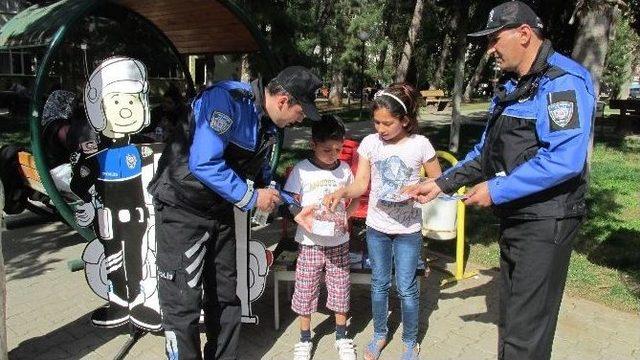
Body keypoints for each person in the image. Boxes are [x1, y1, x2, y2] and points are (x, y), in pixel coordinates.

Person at [403, 2, 595, 359]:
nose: (489, 49)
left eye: (494, 39)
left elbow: (564, 160)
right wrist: (441, 183)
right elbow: (486, 152)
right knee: (512, 319)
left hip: (547, 221)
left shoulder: (562, 82)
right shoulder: (511, 85)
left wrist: (497, 189)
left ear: (524, 34)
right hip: (516, 217)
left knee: (527, 329)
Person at [147, 66, 323, 360]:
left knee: (227, 298)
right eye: (301, 111)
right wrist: (252, 197)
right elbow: (204, 163)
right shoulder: (227, 100)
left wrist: (293, 206)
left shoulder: (268, 125)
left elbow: (263, 178)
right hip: (182, 210)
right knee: (182, 304)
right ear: (283, 100)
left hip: (220, 213)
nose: (301, 118)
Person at [321, 83, 442, 360]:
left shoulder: (420, 145)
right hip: (377, 228)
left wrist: (419, 189)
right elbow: (361, 184)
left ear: (405, 120)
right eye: (376, 122)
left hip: (408, 230)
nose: (380, 128)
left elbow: (438, 180)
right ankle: (379, 334)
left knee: (408, 287)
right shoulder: (370, 144)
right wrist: (342, 191)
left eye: (387, 123)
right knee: (379, 284)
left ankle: (410, 341)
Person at [284, 115, 359, 360]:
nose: (333, 154)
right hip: (309, 243)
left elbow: (356, 195)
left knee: (340, 288)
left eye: (338, 149)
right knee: (306, 289)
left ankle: (341, 336)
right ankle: (305, 339)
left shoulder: (345, 170)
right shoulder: (302, 169)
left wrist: (347, 215)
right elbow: (289, 201)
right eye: (327, 149)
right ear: (313, 144)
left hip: (338, 242)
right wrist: (299, 216)